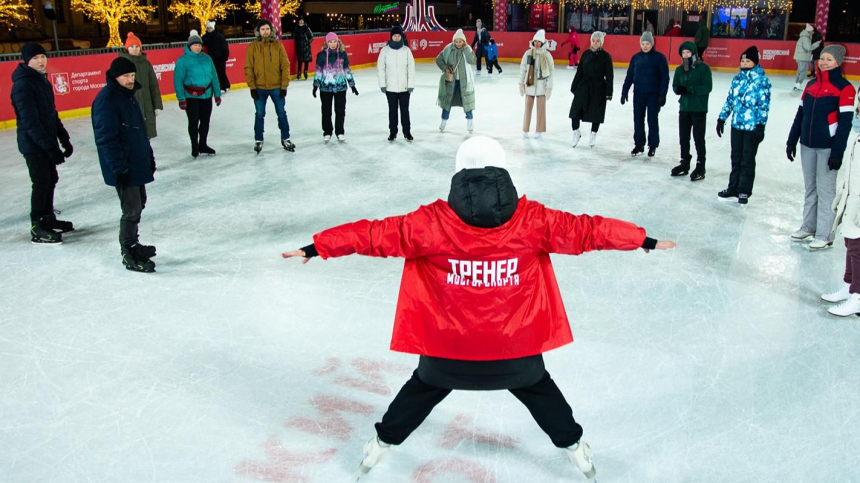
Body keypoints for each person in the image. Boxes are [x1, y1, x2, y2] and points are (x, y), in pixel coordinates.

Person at [281, 136, 676, 479]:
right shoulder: (532, 220)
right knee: (542, 394)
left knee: (419, 392)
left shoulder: (429, 223)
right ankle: (576, 449)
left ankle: (380, 445)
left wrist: (319, 247)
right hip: (515, 354)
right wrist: (641, 239)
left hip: (446, 355)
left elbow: (371, 234)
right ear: (504, 171)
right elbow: (588, 231)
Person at [786, 45, 857, 250]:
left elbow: (844, 125)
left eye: (829, 59)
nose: (824, 62)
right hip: (807, 145)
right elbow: (800, 115)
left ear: (838, 62)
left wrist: (837, 153)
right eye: (822, 58)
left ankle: (825, 234)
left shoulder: (845, 88)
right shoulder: (811, 85)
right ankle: (809, 225)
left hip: (827, 148)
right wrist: (792, 139)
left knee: (825, 191)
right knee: (810, 188)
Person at [92, 57, 158, 273]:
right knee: (131, 209)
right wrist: (118, 168)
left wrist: (148, 156)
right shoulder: (107, 100)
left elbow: (139, 131)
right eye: (126, 76)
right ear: (115, 76)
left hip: (136, 162)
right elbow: (106, 139)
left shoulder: (128, 96)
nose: (130, 80)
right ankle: (127, 251)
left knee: (140, 204)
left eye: (132, 75)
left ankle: (133, 242)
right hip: (124, 166)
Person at [11, 42, 74, 244]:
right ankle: (37, 225)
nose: (41, 61)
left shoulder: (42, 81)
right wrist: (50, 146)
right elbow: (30, 122)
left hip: (45, 141)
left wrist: (64, 139)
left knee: (50, 179)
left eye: (43, 57)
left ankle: (47, 218)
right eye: (36, 58)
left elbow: (51, 114)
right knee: (40, 182)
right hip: (33, 145)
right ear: (27, 60)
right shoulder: (22, 85)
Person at [716, 46, 771, 205]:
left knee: (747, 159)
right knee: (736, 157)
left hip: (752, 128)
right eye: (742, 60)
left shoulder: (762, 81)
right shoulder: (737, 79)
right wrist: (722, 118)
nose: (744, 63)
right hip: (736, 126)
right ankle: (733, 187)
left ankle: (744, 190)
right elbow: (730, 101)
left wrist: (761, 126)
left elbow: (764, 105)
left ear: (755, 62)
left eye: (748, 61)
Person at [823, 103, 860, 314]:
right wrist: (843, 196)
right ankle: (849, 286)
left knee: (858, 248)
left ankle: (858, 295)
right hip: (852, 198)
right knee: (849, 242)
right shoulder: (858, 135)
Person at [245, 19, 293, 154]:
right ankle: (258, 140)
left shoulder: (278, 46)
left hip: (276, 87)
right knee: (259, 114)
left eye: (267, 29)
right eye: (262, 29)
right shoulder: (253, 47)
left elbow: (285, 65)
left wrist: (284, 86)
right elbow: (248, 68)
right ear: (258, 31)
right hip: (259, 88)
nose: (265, 32)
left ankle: (286, 138)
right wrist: (252, 87)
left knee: (281, 113)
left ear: (271, 30)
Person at [621, 31, 669, 157]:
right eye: (643, 43)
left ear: (652, 44)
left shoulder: (660, 58)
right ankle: (639, 144)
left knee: (652, 120)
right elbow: (630, 75)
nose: (645, 46)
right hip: (638, 94)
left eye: (647, 43)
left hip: (653, 95)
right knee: (638, 119)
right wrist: (624, 91)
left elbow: (665, 77)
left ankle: (652, 145)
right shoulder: (636, 58)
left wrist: (663, 94)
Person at [174, 29, 220, 158]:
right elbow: (178, 80)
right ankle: (194, 145)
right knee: (194, 122)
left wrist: (217, 94)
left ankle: (203, 144)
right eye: (195, 45)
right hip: (191, 97)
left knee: (205, 121)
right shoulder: (182, 61)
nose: (198, 47)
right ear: (189, 46)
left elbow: (214, 77)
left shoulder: (207, 59)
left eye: (199, 45)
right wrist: (181, 98)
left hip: (206, 96)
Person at [670, 41, 712, 181]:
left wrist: (689, 89)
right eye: (684, 53)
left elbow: (707, 87)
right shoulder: (680, 70)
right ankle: (685, 162)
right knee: (684, 138)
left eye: (688, 52)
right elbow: (676, 86)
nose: (686, 55)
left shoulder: (703, 69)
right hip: (684, 108)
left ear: (694, 53)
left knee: (698, 138)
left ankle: (701, 165)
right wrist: (678, 90)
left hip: (699, 109)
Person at [569, 31, 613, 148]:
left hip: (599, 87)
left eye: (598, 41)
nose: (595, 43)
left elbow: (609, 76)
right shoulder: (585, 54)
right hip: (583, 86)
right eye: (593, 40)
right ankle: (576, 132)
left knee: (596, 112)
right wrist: (574, 86)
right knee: (575, 110)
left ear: (601, 42)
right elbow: (579, 72)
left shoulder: (606, 57)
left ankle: (593, 134)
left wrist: (609, 92)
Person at [312, 32, 357, 143]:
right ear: (326, 43)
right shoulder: (321, 55)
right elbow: (318, 71)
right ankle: (327, 132)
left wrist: (352, 84)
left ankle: (340, 132)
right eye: (330, 42)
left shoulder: (342, 54)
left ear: (338, 42)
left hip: (340, 88)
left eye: (334, 41)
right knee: (326, 111)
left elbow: (347, 70)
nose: (332, 44)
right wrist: (315, 85)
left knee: (340, 110)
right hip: (325, 88)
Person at [119, 32, 163, 139]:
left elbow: (153, 86)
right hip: (130, 104)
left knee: (146, 135)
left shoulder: (146, 64)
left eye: (137, 46)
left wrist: (157, 105)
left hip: (146, 104)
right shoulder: (122, 64)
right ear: (127, 49)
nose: (134, 49)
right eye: (132, 46)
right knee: (132, 135)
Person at [377, 25, 416, 142]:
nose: (397, 37)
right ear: (391, 37)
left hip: (405, 88)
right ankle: (392, 132)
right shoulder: (385, 51)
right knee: (392, 111)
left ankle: (407, 132)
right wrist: (382, 84)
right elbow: (381, 69)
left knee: (405, 111)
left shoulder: (406, 51)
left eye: (399, 35)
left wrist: (410, 85)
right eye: (395, 36)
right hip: (390, 87)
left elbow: (411, 68)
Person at [436, 29, 477, 133]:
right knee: (447, 102)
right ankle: (443, 121)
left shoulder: (466, 49)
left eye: (460, 41)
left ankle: (470, 122)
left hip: (465, 81)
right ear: (453, 41)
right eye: (456, 41)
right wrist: (445, 68)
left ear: (464, 41)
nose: (458, 43)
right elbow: (438, 59)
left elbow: (472, 60)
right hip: (451, 81)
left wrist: (467, 48)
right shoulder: (448, 49)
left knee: (467, 101)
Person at [518, 30, 554, 139]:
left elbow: (551, 72)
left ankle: (539, 130)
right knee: (527, 108)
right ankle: (525, 128)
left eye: (539, 41)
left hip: (541, 85)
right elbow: (523, 69)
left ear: (543, 42)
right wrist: (521, 83)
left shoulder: (547, 55)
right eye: (535, 41)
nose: (537, 43)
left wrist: (549, 87)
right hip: (530, 84)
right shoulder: (528, 53)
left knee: (541, 109)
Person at [202, 21, 230, 93]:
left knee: (221, 72)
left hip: (220, 58)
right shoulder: (205, 37)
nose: (209, 29)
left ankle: (223, 87)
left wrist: (225, 56)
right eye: (208, 28)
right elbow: (201, 43)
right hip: (212, 58)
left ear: (213, 28)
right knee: (215, 73)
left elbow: (224, 47)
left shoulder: (219, 36)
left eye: (210, 28)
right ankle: (226, 85)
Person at [793, 24, 821, 91]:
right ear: (809, 31)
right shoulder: (805, 38)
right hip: (803, 57)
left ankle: (796, 84)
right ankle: (798, 84)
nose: (813, 32)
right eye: (812, 31)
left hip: (800, 57)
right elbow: (808, 48)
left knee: (800, 71)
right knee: (803, 72)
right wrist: (817, 44)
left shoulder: (803, 37)